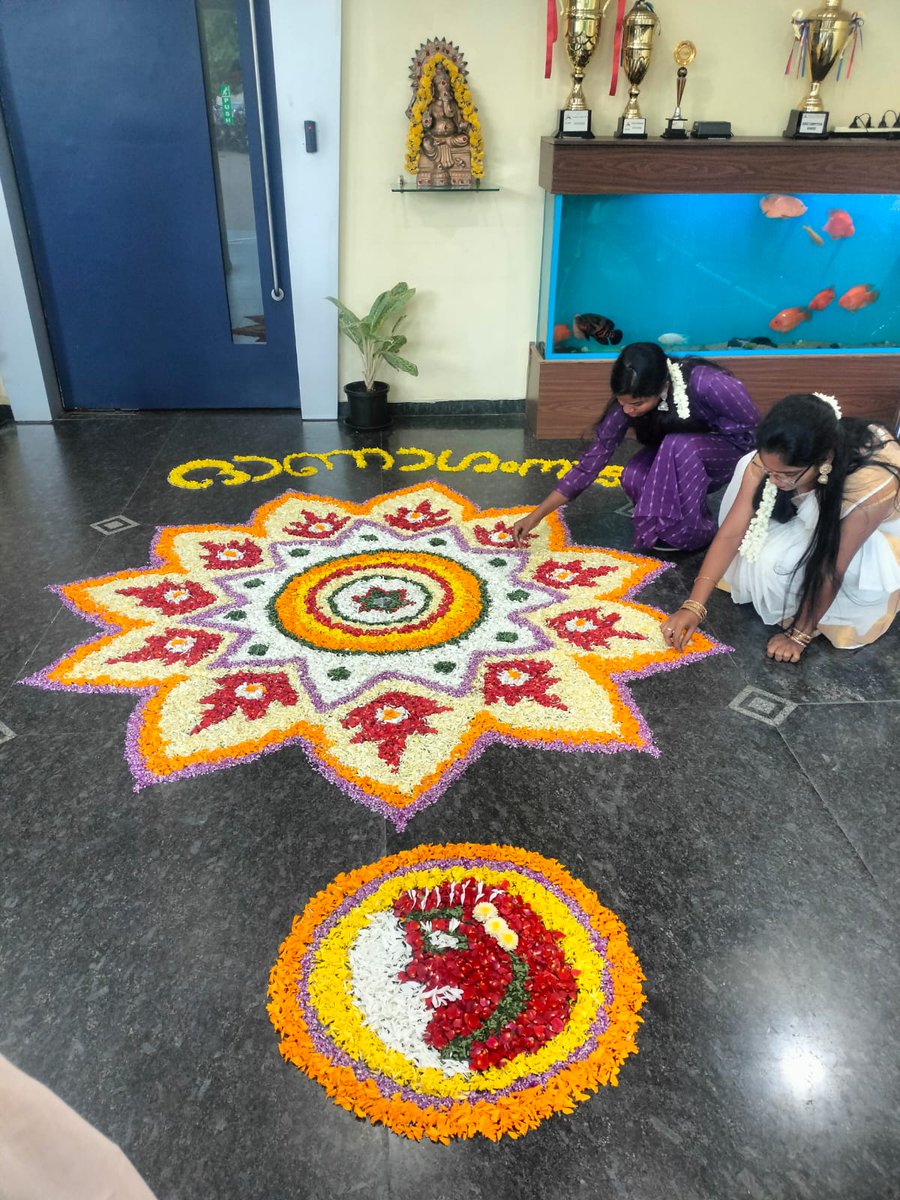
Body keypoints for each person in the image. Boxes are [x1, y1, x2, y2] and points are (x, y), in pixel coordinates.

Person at [662, 393, 900, 662]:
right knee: (749, 479)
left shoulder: (870, 485)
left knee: (779, 570)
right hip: (815, 498)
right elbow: (732, 532)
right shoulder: (775, 459)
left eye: (787, 474)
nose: (774, 480)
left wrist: (799, 636)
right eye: (770, 471)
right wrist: (693, 606)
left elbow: (831, 567)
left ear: (822, 461)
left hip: (869, 534)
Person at [513, 342, 759, 551]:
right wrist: (536, 515)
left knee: (679, 444)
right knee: (634, 475)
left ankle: (695, 533)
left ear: (662, 387)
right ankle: (672, 520)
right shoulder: (628, 402)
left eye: (637, 404)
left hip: (731, 453)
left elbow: (755, 434)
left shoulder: (709, 383)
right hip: (677, 451)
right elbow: (591, 462)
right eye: (622, 403)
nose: (628, 411)